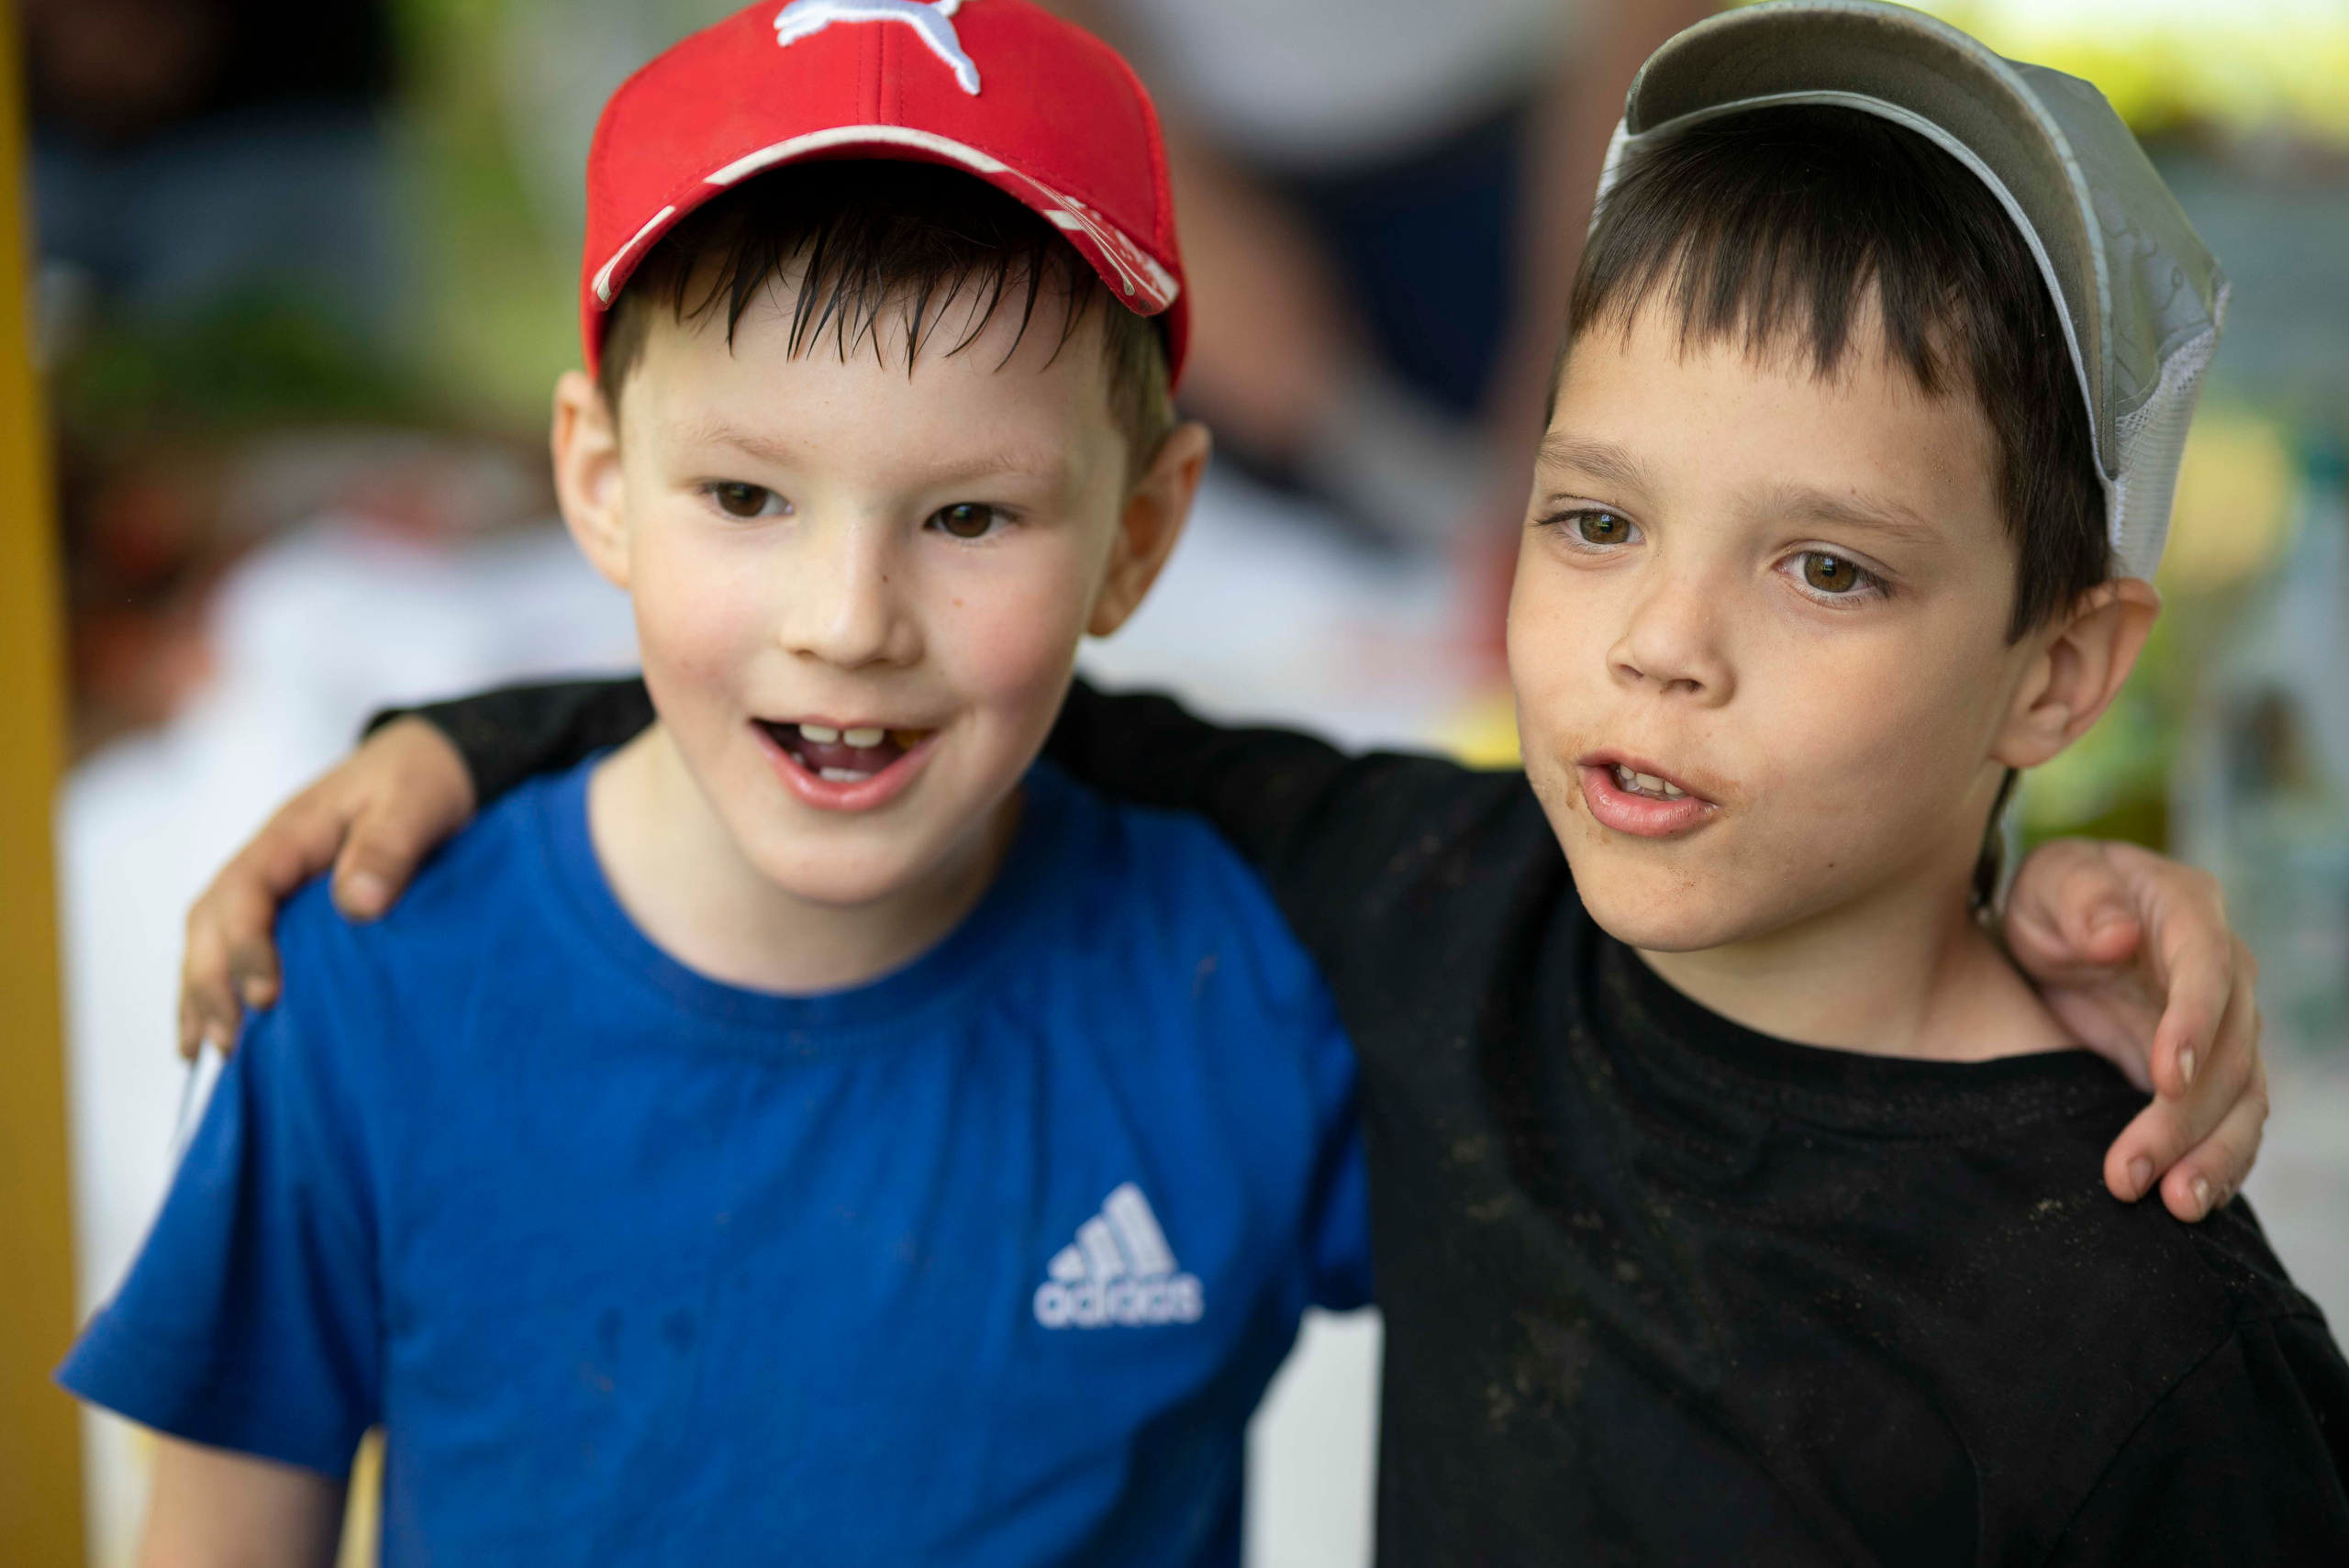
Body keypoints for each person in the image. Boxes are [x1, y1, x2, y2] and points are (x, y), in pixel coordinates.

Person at [172, 6, 2342, 1561]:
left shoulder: (2137, 1323)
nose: (1663, 642)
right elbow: (946, 709)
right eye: (1590, 522)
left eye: (1827, 564)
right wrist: (474, 746)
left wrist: (2059, 870)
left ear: (2056, 667)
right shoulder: (1424, 913)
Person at [60, 5, 1375, 1561]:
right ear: (599, 485)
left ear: (1143, 536)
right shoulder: (370, 985)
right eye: (747, 495)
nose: (847, 621)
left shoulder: (1263, 991)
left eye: (968, 517)